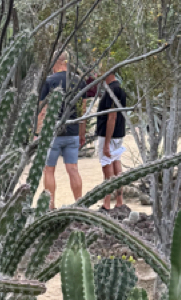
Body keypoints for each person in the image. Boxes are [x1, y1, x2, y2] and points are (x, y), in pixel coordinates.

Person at [36, 52, 85, 204]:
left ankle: (51, 206)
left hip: (53, 132)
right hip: (73, 131)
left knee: (49, 170)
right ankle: (79, 203)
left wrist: (37, 133)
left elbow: (42, 110)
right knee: (73, 169)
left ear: (55, 63)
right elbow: (82, 110)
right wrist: (82, 133)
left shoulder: (49, 81)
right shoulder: (78, 81)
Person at [93, 71, 129, 212]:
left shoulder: (112, 91)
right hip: (119, 134)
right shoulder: (120, 89)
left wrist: (106, 143)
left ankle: (106, 202)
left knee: (107, 165)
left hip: (108, 135)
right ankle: (119, 201)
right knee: (115, 164)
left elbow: (111, 117)